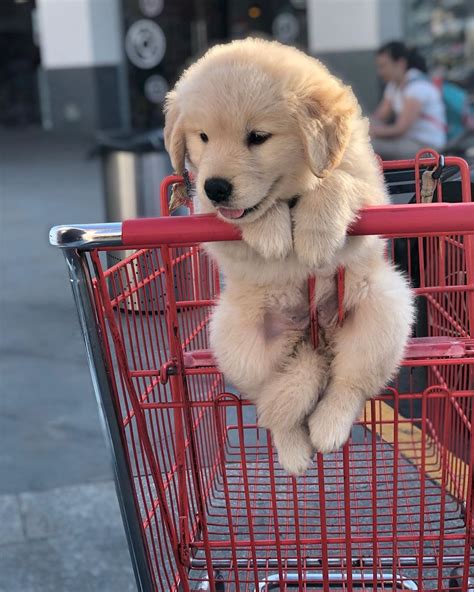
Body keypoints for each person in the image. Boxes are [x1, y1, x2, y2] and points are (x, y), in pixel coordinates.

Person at [370, 41, 447, 160]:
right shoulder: (394, 86)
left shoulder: (417, 87)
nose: (380, 72)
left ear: (400, 63)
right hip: (408, 141)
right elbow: (379, 117)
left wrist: (370, 132)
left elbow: (400, 128)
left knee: (368, 146)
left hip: (426, 147)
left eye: (383, 66)